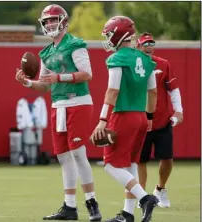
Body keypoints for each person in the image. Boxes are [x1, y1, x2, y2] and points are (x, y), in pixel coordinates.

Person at [15, 4, 102, 222]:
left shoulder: (76, 44)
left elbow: (87, 74)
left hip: (78, 102)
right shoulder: (45, 53)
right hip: (58, 105)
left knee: (78, 153)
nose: (51, 24)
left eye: (54, 20)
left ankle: (92, 203)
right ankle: (69, 207)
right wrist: (27, 82)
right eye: (47, 21)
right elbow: (44, 86)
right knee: (63, 156)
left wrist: (60, 78)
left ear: (63, 21)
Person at [91, 16, 159, 222]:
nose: (108, 39)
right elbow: (153, 92)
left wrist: (103, 119)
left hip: (123, 115)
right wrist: (148, 117)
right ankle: (128, 213)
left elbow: (112, 90)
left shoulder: (117, 58)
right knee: (130, 163)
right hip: (140, 116)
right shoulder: (147, 59)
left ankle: (145, 198)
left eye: (110, 34)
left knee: (111, 165)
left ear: (120, 34)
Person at [136, 32, 183, 208]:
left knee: (167, 158)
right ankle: (142, 195)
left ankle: (160, 189)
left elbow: (173, 89)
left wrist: (179, 110)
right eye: (144, 44)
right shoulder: (132, 65)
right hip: (140, 121)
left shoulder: (163, 64)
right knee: (140, 160)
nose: (148, 46)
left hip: (162, 120)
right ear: (137, 47)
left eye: (151, 43)